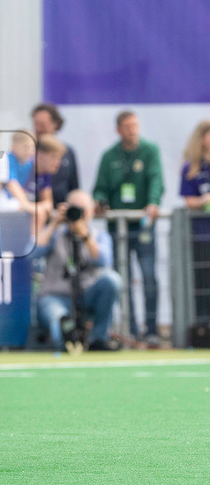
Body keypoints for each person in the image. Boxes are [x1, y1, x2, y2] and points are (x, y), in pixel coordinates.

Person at [93, 110, 164, 344]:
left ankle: (152, 329)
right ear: (118, 129)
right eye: (127, 126)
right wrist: (100, 201)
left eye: (135, 125)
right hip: (117, 227)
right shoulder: (109, 155)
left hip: (143, 224)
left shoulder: (150, 150)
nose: (132, 130)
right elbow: (100, 187)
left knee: (149, 275)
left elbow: (156, 180)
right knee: (122, 278)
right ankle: (130, 329)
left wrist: (153, 203)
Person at [34, 190, 122, 351]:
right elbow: (32, 252)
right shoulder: (56, 233)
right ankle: (66, 340)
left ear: (90, 212)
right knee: (60, 323)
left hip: (87, 294)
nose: (78, 215)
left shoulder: (98, 235)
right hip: (56, 296)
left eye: (82, 210)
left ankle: (99, 338)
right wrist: (54, 223)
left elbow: (104, 261)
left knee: (112, 280)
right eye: (75, 209)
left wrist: (85, 236)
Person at [32, 103, 80, 206]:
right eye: (36, 124)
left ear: (55, 124)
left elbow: (74, 187)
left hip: (62, 210)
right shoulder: (29, 153)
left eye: (43, 124)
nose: (38, 129)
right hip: (35, 212)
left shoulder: (68, 152)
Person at [180, 120, 210, 212]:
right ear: (201, 138)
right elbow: (188, 201)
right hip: (200, 222)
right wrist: (204, 200)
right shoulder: (190, 167)